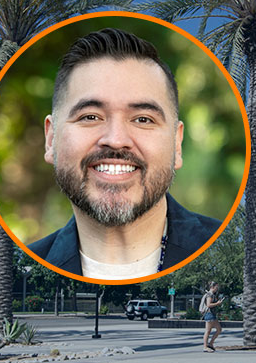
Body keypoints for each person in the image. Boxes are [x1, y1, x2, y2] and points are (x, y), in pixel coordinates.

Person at [28, 28, 221, 280]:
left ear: (177, 143)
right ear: (51, 139)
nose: (116, 140)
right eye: (90, 117)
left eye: (143, 119)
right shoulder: (28, 265)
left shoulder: (227, 251)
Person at [201, 281, 223, 352]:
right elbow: (209, 304)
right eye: (216, 287)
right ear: (212, 287)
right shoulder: (209, 295)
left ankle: (210, 344)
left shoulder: (212, 294)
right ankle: (205, 346)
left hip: (212, 314)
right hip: (209, 313)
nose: (217, 288)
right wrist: (217, 303)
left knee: (219, 329)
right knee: (208, 331)